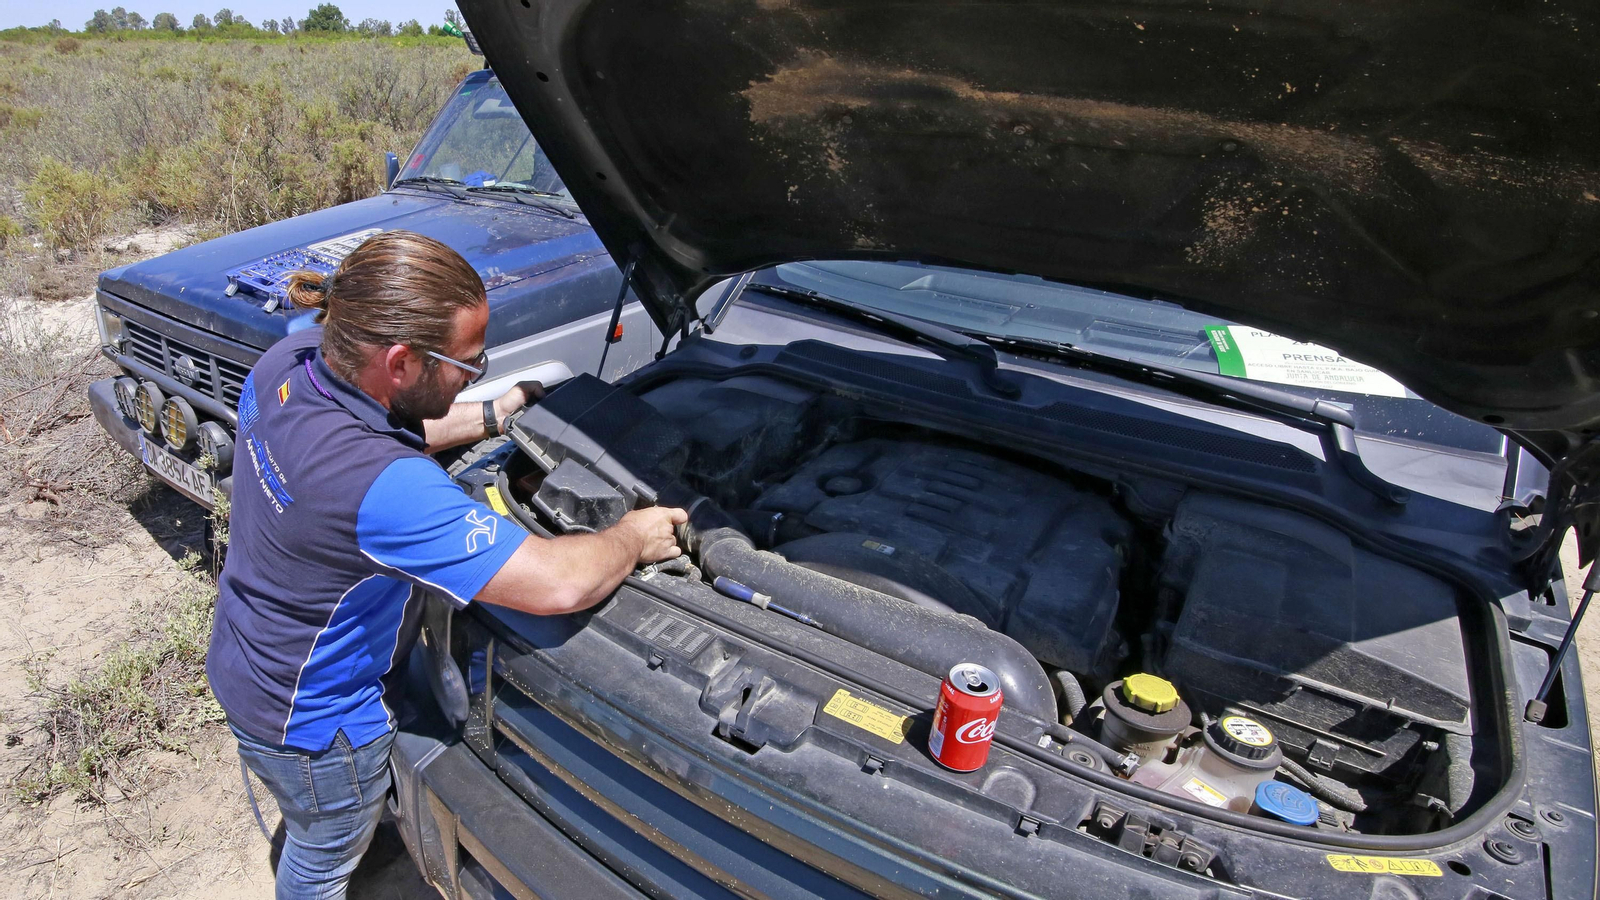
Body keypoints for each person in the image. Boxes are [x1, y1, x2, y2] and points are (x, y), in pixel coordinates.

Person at [203, 230, 685, 899]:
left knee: (310, 818)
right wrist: (633, 536)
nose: (474, 374)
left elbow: (384, 423)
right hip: (321, 725)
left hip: (247, 656)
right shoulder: (383, 488)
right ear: (399, 362)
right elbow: (558, 583)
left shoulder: (291, 363)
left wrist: (495, 414)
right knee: (322, 857)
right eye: (468, 364)